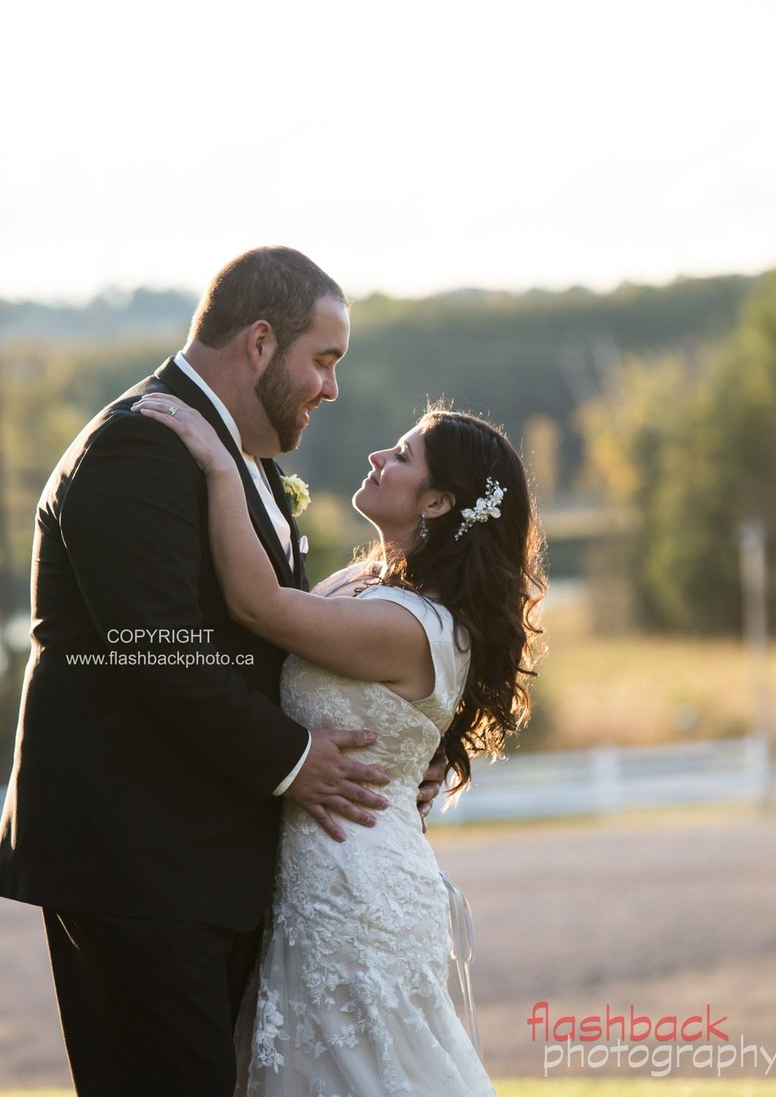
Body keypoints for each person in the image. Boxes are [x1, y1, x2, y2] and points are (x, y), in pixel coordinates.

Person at [0, 246, 445, 1096]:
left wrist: (388, 756)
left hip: (212, 866)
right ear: (259, 343)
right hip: (138, 868)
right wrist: (295, 758)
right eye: (324, 360)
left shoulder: (250, 465)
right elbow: (156, 651)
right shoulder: (139, 446)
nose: (331, 388)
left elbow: (283, 646)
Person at [133, 390, 547, 1096]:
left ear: (439, 503)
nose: (379, 456)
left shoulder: (411, 623)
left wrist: (220, 464)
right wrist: (422, 754)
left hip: (355, 894)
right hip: (317, 879)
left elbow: (258, 605)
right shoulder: (366, 583)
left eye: (404, 455)